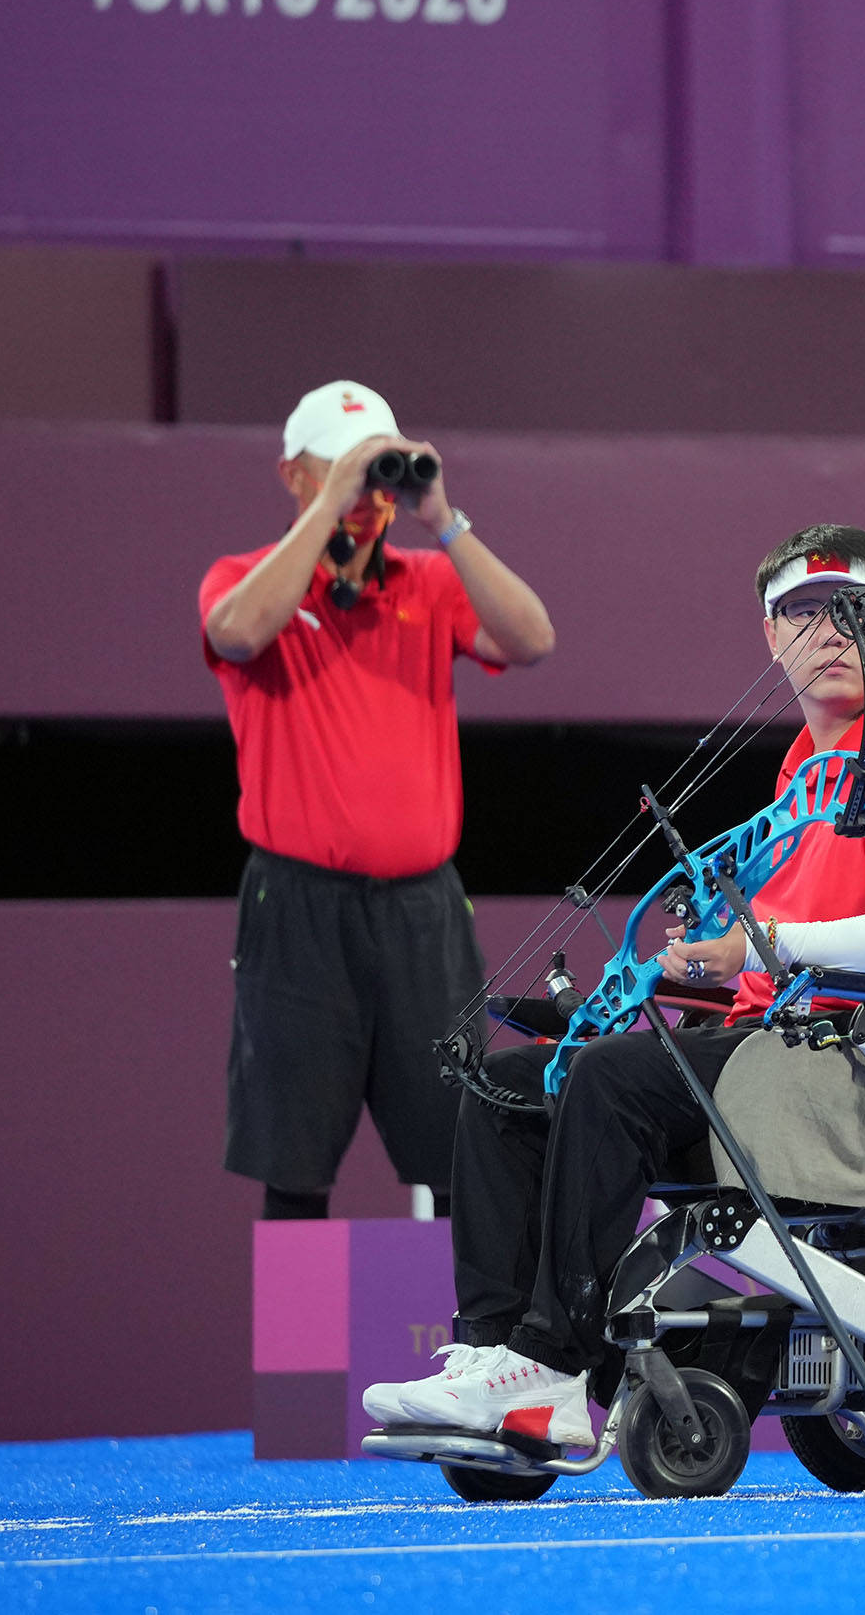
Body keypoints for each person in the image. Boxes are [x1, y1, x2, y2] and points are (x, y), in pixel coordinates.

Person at [362, 524, 865, 1448]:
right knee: (512, 1085)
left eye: (850, 612)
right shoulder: (802, 771)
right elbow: (764, 961)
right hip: (774, 1063)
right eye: (802, 612)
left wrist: (755, 945)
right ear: (770, 638)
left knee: (612, 1079)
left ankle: (552, 1365)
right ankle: (494, 1358)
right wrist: (675, 973)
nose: (827, 631)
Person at [202, 382, 555, 1223]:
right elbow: (238, 633)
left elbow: (532, 639)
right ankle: (300, 1351)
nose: (369, 497)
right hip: (297, 906)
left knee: (459, 1141)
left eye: (379, 474)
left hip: (422, 910)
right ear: (295, 475)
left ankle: (471, 1343)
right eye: (347, 473)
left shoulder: (427, 581)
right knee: (292, 1155)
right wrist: (328, 506)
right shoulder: (246, 578)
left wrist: (444, 516)